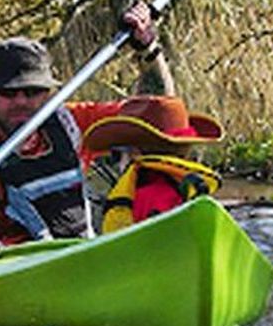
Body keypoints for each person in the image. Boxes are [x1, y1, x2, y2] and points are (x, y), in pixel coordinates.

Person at [0, 1, 173, 257]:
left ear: (48, 93)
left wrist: (147, 49)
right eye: (9, 93)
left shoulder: (72, 122)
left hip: (64, 254)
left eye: (33, 91)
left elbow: (158, 114)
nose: (22, 101)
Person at [81, 94, 224, 233]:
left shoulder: (146, 197)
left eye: (116, 154)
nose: (116, 164)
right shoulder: (190, 189)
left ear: (134, 154)